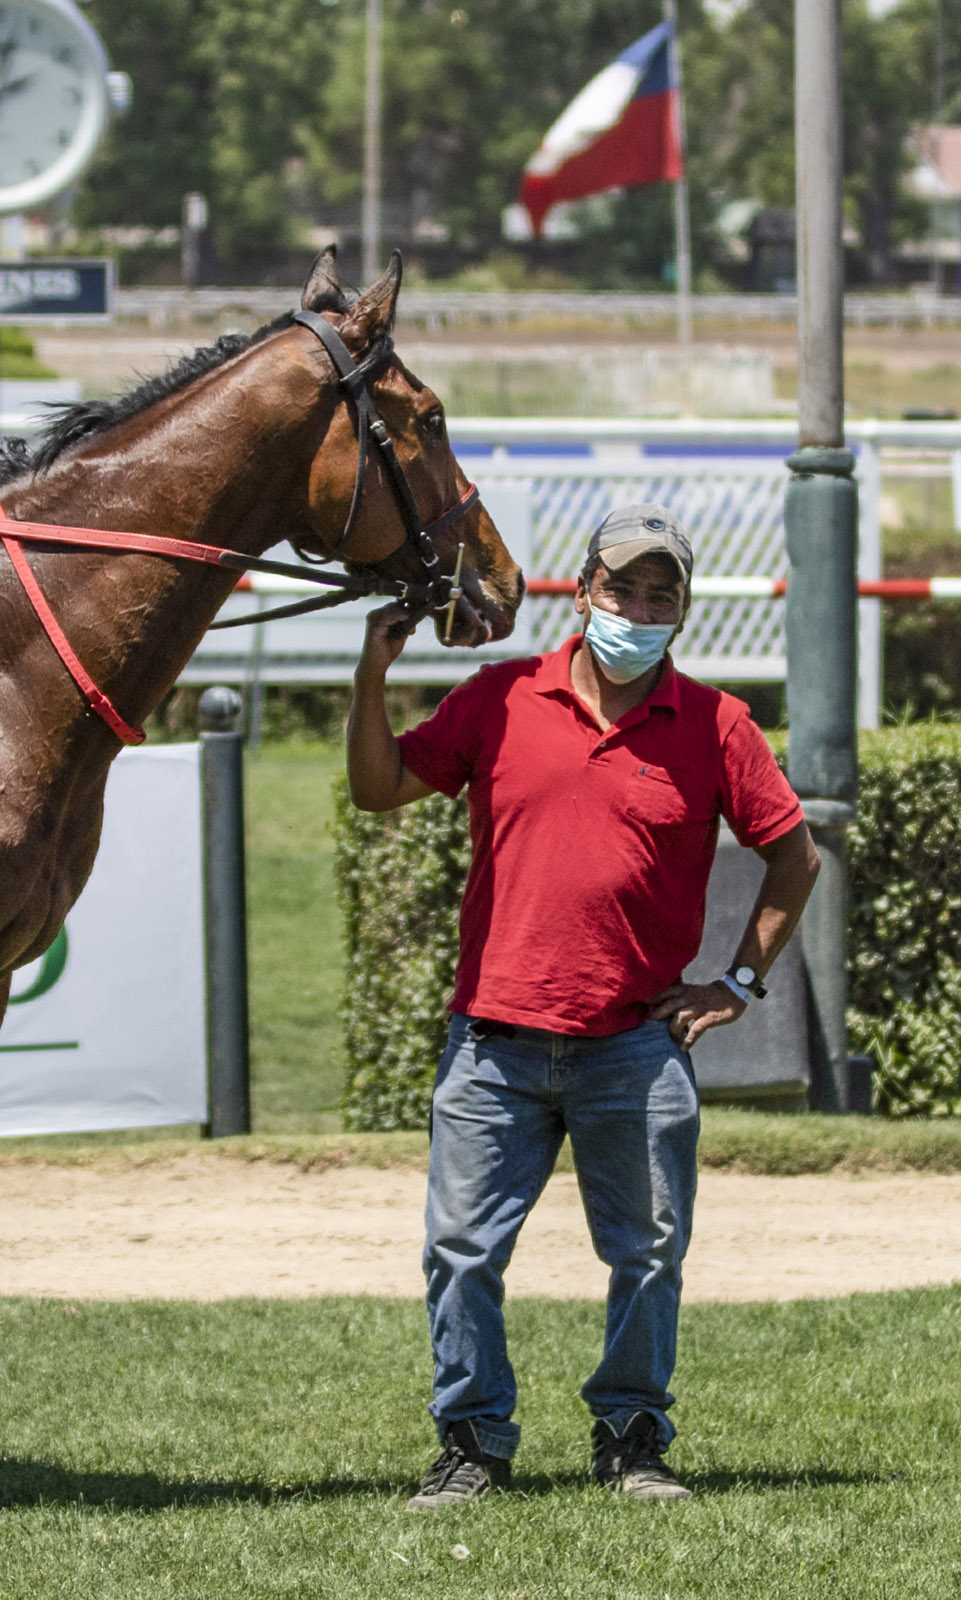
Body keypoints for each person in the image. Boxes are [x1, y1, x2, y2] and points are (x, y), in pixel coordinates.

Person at [346, 504, 821, 1509]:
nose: (637, 611)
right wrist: (372, 676)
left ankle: (632, 1439)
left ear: (682, 610)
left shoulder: (718, 725)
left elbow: (795, 855)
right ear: (584, 589)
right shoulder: (500, 697)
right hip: (493, 1044)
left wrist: (738, 983)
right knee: (461, 1254)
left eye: (659, 595)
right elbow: (379, 788)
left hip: (636, 1048)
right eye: (622, 588)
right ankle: (473, 1444)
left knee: (648, 1256)